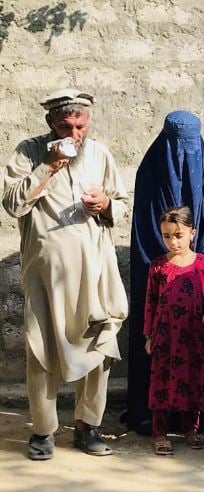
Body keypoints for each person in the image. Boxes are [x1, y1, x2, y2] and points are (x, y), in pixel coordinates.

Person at [2, 89, 128, 459]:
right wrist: (50, 166)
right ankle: (43, 432)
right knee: (41, 351)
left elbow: (120, 202)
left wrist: (104, 204)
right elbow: (12, 202)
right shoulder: (29, 152)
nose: (74, 134)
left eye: (80, 126)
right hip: (46, 276)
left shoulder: (100, 153)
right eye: (66, 126)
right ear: (50, 124)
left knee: (99, 345)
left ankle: (88, 427)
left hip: (95, 272)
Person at [127, 110, 204, 435]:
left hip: (198, 297)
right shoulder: (150, 172)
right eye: (176, 146)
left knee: (198, 363)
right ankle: (154, 420)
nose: (184, 156)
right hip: (160, 288)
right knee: (160, 365)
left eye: (190, 146)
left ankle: (194, 421)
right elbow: (145, 229)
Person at [143, 207, 204, 456]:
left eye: (178, 234)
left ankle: (191, 428)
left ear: (192, 233)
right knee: (161, 381)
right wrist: (148, 336)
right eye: (167, 235)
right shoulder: (158, 267)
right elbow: (150, 303)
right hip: (165, 337)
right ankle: (160, 432)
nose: (173, 241)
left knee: (194, 379)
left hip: (194, 336)